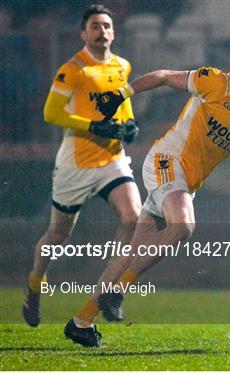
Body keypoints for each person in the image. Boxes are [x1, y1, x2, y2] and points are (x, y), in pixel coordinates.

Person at [63, 41, 230, 347]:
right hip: (166, 161)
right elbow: (162, 76)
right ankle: (118, 291)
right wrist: (122, 94)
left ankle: (81, 322)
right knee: (183, 226)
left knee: (132, 253)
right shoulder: (216, 82)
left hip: (187, 182)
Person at [21, 4, 141, 328]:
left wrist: (129, 124)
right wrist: (92, 126)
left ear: (113, 33)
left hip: (112, 160)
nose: (102, 31)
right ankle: (35, 283)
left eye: (106, 26)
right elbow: (52, 113)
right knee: (59, 234)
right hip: (76, 165)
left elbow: (123, 102)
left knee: (133, 217)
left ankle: (111, 290)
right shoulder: (73, 69)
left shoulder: (121, 66)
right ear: (83, 34)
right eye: (95, 26)